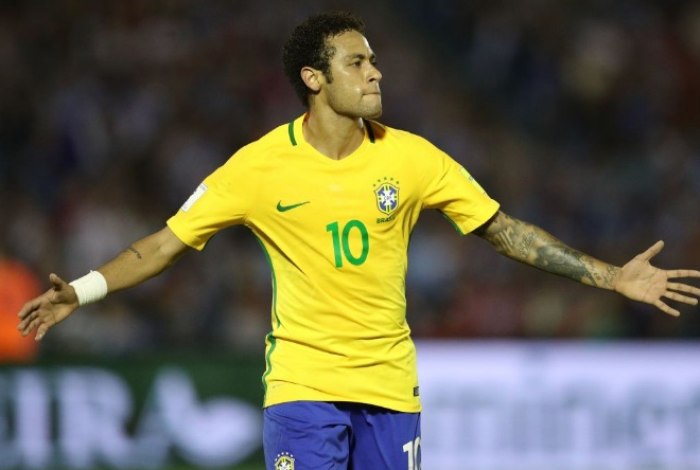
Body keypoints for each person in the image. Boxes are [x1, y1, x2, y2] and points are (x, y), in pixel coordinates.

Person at [17, 11, 700, 470]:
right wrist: (81, 290)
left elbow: (503, 231)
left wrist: (612, 276)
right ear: (314, 79)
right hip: (303, 386)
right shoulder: (256, 168)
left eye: (374, 60)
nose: (376, 73)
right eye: (357, 63)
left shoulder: (413, 158)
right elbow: (163, 244)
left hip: (390, 388)